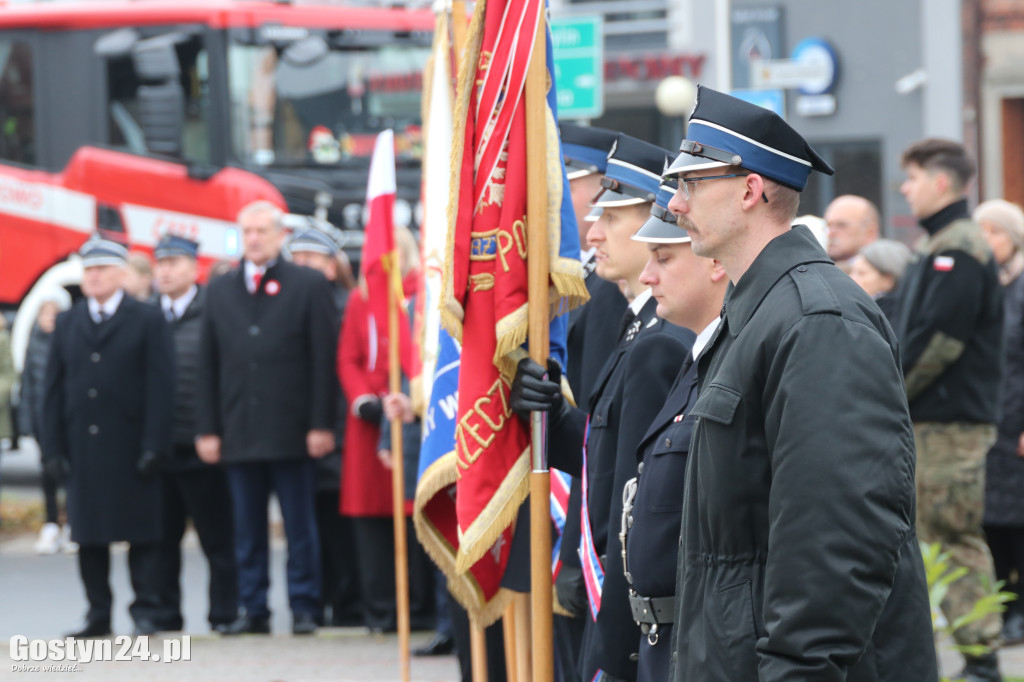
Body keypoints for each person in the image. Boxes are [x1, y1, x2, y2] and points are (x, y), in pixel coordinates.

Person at [663, 85, 937, 682]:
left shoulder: (817, 320)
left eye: (690, 184)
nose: (676, 204)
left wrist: (796, 672)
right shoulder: (759, 312)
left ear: (749, 189)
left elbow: (837, 533)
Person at [510, 134, 694, 682]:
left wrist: (615, 647)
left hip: (629, 603)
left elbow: (637, 502)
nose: (592, 234)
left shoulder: (660, 339)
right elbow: (606, 452)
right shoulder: (638, 326)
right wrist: (556, 417)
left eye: (610, 219)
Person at [196, 201, 339, 636]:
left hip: (293, 429)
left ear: (280, 235)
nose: (254, 239)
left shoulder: (307, 284)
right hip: (239, 428)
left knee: (299, 525)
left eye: (261, 231)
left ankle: (305, 606)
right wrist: (208, 428)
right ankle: (253, 607)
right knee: (247, 528)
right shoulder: (219, 289)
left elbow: (322, 360)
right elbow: (208, 363)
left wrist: (321, 423)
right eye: (247, 231)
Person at [895, 138, 1004, 681]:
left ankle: (982, 660)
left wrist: (891, 389)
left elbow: (938, 341)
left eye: (911, 178)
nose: (904, 189)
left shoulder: (958, 247)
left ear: (941, 182)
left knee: (952, 537)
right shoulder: (942, 242)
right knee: (935, 535)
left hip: (949, 424)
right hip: (934, 420)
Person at [617, 168, 728, 682]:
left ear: (715, 266)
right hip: (662, 639)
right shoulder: (695, 356)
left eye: (663, 259)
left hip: (697, 639)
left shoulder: (716, 358)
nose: (647, 274)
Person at [42, 236, 175, 638]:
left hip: (131, 445)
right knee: (89, 536)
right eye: (88, 270)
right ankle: (97, 613)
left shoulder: (148, 319)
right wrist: (51, 449)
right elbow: (52, 390)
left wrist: (155, 445)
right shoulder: (69, 321)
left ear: (121, 274)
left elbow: (161, 387)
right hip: (84, 447)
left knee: (142, 536)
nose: (93, 277)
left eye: (101, 269)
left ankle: (146, 612)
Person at [555, 121, 626, 681]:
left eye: (563, 181)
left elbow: (606, 426)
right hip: (560, 497)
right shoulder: (565, 276)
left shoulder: (608, 290)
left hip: (590, 514)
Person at [338, 224, 433, 633]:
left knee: (416, 516)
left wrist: (408, 397)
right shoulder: (362, 296)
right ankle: (380, 610)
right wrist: (365, 399)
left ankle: (423, 609)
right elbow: (350, 356)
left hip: (411, 415)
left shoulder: (422, 292)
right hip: (370, 421)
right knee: (371, 521)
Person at [150, 234, 238, 634]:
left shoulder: (214, 310)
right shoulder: (147, 315)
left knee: (218, 540)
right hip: (158, 449)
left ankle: (224, 615)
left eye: (174, 262)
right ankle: (164, 617)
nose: (165, 270)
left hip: (204, 446)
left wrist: (215, 430)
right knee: (160, 543)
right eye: (160, 263)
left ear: (193, 267)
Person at [286, 226, 364, 628]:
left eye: (311, 259)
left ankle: (348, 602)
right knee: (308, 522)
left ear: (332, 267)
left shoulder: (345, 303)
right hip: (297, 433)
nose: (302, 267)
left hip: (338, 430)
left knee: (339, 524)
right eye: (295, 259)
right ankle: (322, 599)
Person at [974, 199, 1024, 646]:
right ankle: (1005, 609)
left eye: (994, 232)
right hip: (988, 421)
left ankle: (1019, 612)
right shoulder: (988, 284)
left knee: (1019, 522)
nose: (986, 242)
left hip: (1017, 423)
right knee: (991, 521)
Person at [20, 289, 74, 554]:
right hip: (43, 421)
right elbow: (27, 387)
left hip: (66, 420)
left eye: (54, 313)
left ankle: (73, 522)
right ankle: (51, 523)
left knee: (71, 472)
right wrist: (27, 423)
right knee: (47, 472)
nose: (49, 318)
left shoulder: (71, 342)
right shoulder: (35, 343)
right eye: (45, 313)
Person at [848, 238, 912, 325]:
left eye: (862, 273)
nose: (851, 278)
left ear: (887, 280)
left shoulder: (887, 321)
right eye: (852, 271)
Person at [824, 194, 881, 270]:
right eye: (828, 226)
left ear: (870, 232)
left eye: (841, 225)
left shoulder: (886, 272)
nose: (830, 233)